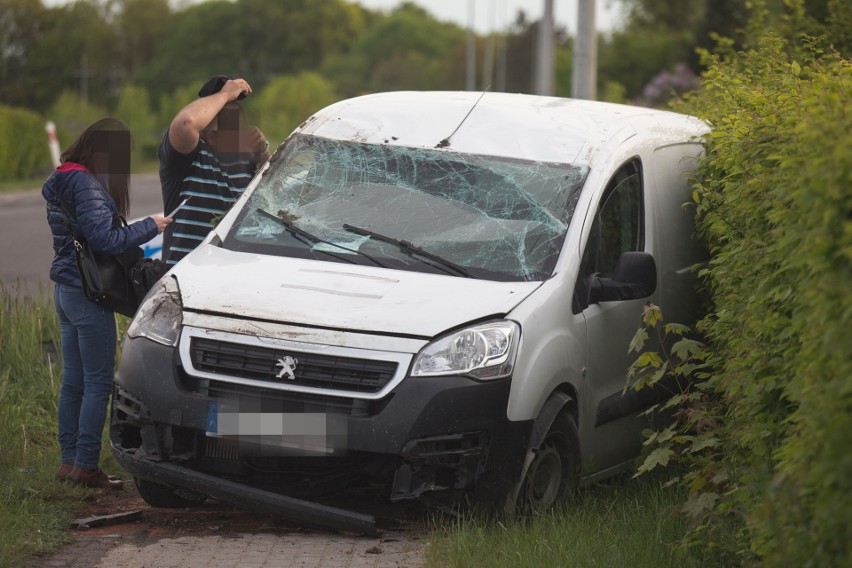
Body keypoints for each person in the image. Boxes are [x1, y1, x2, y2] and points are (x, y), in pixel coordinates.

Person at [43, 118, 172, 489]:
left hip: (66, 291)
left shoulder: (65, 177)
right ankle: (85, 465)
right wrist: (151, 226)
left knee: (73, 381)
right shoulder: (86, 183)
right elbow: (105, 239)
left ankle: (68, 463)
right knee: (98, 383)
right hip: (89, 294)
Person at [158, 75, 271, 265]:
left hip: (227, 282)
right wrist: (225, 95)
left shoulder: (249, 160)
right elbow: (185, 123)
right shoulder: (187, 161)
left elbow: (275, 196)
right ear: (210, 137)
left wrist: (264, 152)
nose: (245, 132)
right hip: (182, 282)